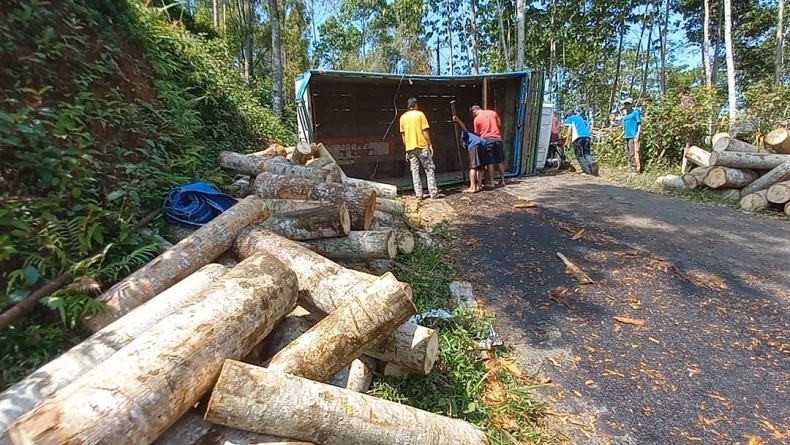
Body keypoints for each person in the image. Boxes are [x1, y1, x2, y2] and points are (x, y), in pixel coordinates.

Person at [400, 97, 443, 199]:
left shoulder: (403, 118)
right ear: (415, 105)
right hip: (422, 146)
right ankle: (433, 192)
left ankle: (418, 194)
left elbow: (403, 135)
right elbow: (425, 131)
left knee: (415, 171)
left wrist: (406, 149)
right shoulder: (420, 115)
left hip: (410, 148)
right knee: (429, 168)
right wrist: (430, 144)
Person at [453, 116, 493, 193]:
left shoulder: (465, 135)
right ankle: (479, 186)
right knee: (480, 167)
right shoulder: (475, 136)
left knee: (473, 167)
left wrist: (458, 120)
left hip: (474, 145)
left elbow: (463, 127)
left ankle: (472, 187)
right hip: (483, 145)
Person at [470, 105, 506, 187]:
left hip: (487, 140)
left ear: (474, 112)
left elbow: (477, 133)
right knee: (500, 161)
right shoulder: (492, 113)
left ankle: (492, 183)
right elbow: (499, 123)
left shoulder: (476, 119)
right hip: (497, 138)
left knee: (490, 162)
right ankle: (502, 181)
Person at [564, 109, 598, 176]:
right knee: (587, 153)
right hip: (587, 137)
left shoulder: (570, 118)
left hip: (578, 138)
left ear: (568, 115)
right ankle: (592, 163)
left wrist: (567, 141)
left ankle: (586, 171)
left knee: (579, 155)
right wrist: (566, 136)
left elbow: (570, 129)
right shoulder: (580, 118)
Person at [621, 97, 642, 173]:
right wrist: (621, 135)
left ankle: (635, 168)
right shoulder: (625, 115)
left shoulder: (635, 113)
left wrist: (637, 134)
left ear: (631, 104)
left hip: (633, 135)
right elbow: (625, 127)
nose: (626, 105)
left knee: (633, 152)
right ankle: (630, 168)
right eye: (625, 104)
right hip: (627, 136)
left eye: (628, 104)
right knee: (629, 153)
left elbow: (639, 124)